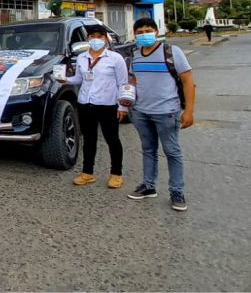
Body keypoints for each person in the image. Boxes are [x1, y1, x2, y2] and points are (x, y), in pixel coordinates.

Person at [126, 18, 196, 212]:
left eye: (147, 30)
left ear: (156, 32)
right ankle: (148, 186)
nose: (143, 34)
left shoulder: (172, 52)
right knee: (148, 150)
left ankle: (177, 191)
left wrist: (188, 111)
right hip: (141, 111)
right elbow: (133, 80)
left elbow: (188, 81)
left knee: (172, 152)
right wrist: (127, 99)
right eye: (139, 32)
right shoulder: (135, 55)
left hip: (167, 112)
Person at [59, 24, 130, 189]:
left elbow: (123, 84)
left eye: (100, 36)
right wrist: (66, 80)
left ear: (106, 39)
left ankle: (116, 174)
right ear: (88, 39)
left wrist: (123, 107)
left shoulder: (115, 58)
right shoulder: (83, 58)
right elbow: (79, 78)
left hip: (108, 105)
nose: (96, 39)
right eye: (92, 36)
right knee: (89, 140)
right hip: (85, 104)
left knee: (112, 140)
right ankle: (87, 173)